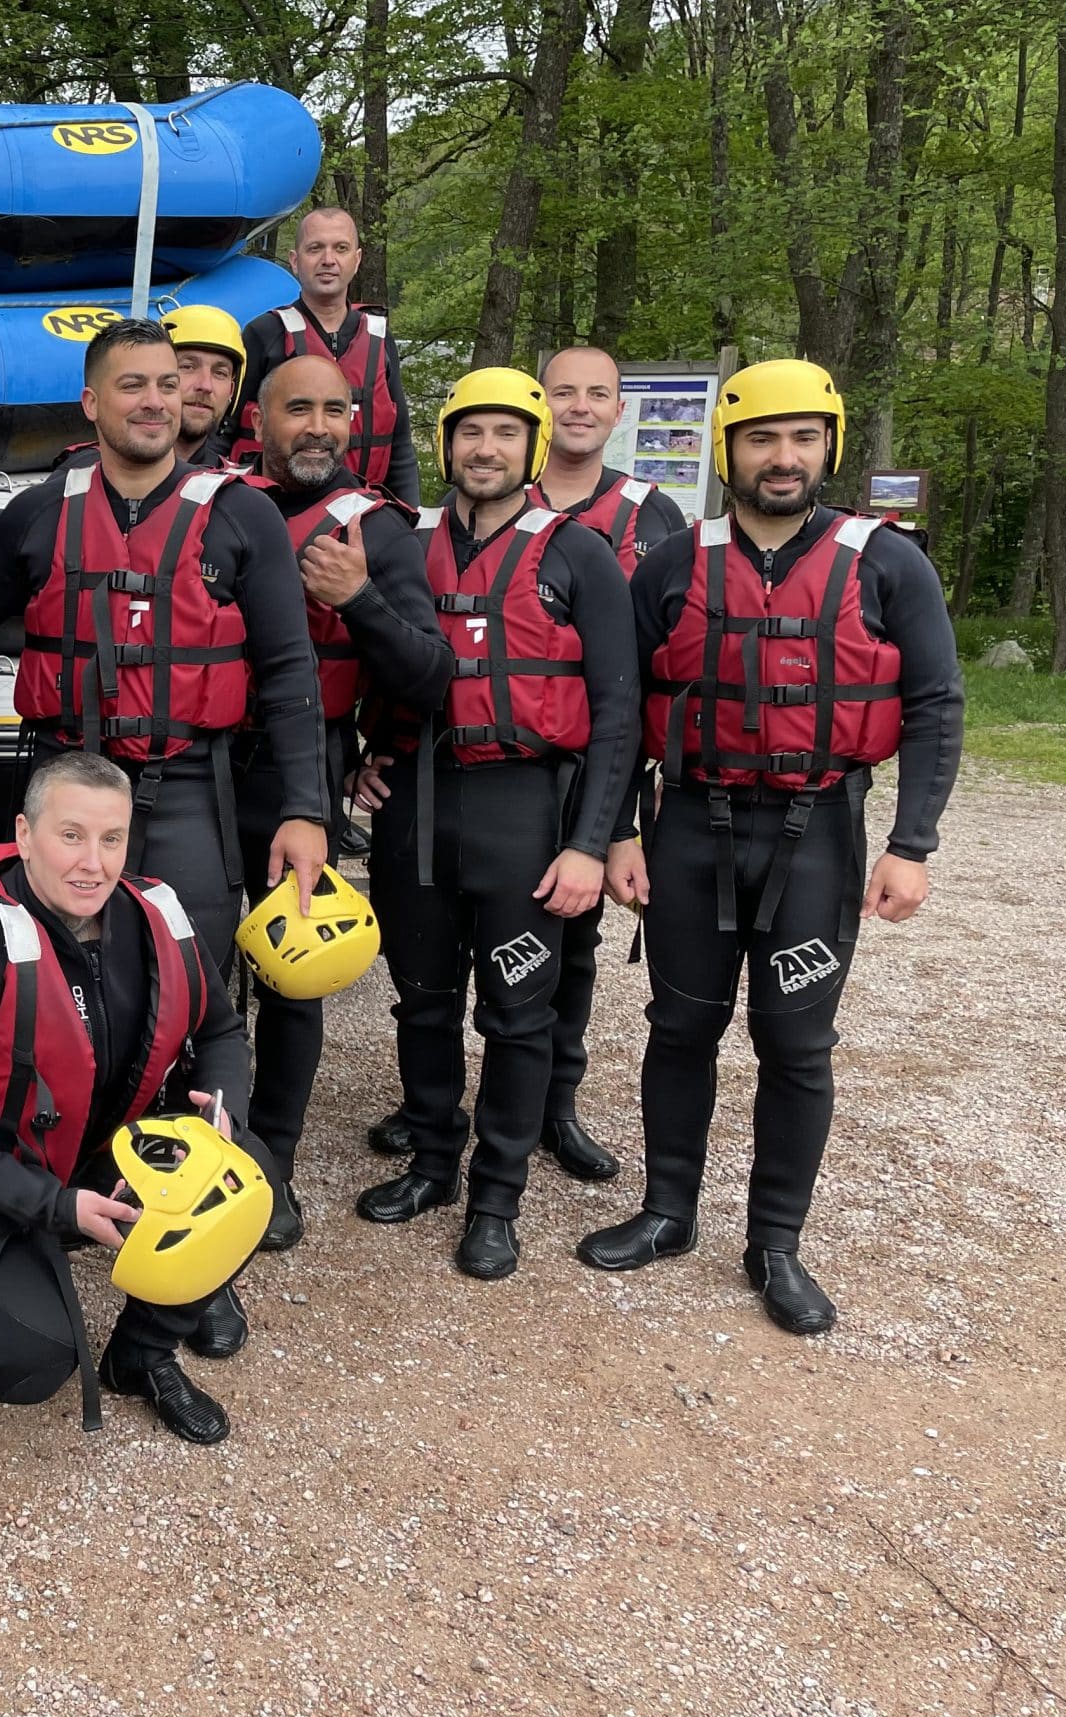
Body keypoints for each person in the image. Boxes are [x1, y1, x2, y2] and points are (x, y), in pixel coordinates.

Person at [580, 359, 961, 1335]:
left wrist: (910, 843)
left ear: (826, 446)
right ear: (728, 449)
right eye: (760, 438)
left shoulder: (886, 562)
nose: (781, 457)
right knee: (680, 1025)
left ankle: (774, 1243)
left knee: (795, 1045)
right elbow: (623, 710)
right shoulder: (671, 564)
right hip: (690, 827)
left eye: (800, 438)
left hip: (818, 831)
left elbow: (932, 704)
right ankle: (667, 1212)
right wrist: (619, 828)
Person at [0, 751, 272, 1442]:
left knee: (243, 1175)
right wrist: (57, 1207)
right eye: (71, 835)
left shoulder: (151, 917)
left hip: (80, 1149)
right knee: (30, 1358)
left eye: (111, 839)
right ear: (24, 835)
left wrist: (222, 1111)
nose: (94, 863)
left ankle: (143, 1355)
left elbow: (222, 1028)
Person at [350, 368, 638, 1281]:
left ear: (533, 447)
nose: (486, 450)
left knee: (518, 1017)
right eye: (470, 433)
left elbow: (619, 710)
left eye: (506, 435)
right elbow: (362, 665)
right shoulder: (400, 545)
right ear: (446, 445)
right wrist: (359, 754)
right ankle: (433, 1160)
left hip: (524, 809)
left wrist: (591, 841)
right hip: (417, 810)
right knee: (423, 1001)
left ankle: (496, 1196)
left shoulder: (579, 554)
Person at [0, 318, 332, 959]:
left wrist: (306, 810)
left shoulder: (244, 516)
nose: (156, 400)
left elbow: (288, 669)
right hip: (63, 784)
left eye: (169, 382)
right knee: (55, 989)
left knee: (190, 995)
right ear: (91, 404)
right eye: (132, 385)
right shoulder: (39, 512)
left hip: (188, 790)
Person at [231, 355, 450, 1250]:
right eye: (299, 410)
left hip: (304, 767)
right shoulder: (214, 502)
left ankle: (273, 1165)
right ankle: (199, 1141)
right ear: (260, 418)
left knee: (293, 972)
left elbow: (430, 675)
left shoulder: (377, 530)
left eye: (335, 410)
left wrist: (357, 599)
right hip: (201, 764)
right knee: (193, 968)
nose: (318, 425)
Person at [525, 344, 691, 1181]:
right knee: (460, 948)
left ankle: (556, 1107)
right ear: (539, 400)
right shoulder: (489, 497)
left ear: (620, 411)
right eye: (563, 392)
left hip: (600, 766)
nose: (578, 407)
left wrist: (623, 823)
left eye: (597, 395)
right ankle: (437, 1109)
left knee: (572, 946)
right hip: (506, 760)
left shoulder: (651, 516)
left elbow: (656, 677)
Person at [230, 207, 420, 503]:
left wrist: (411, 518)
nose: (328, 260)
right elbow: (224, 432)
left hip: (362, 508)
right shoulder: (263, 333)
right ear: (295, 261)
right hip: (273, 509)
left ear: (356, 261)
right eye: (315, 248)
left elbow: (400, 445)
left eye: (340, 249)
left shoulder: (379, 339)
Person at [159, 303, 249, 470]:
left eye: (220, 373)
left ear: (231, 391)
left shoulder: (239, 491)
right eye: (188, 366)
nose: (205, 385)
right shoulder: (96, 472)